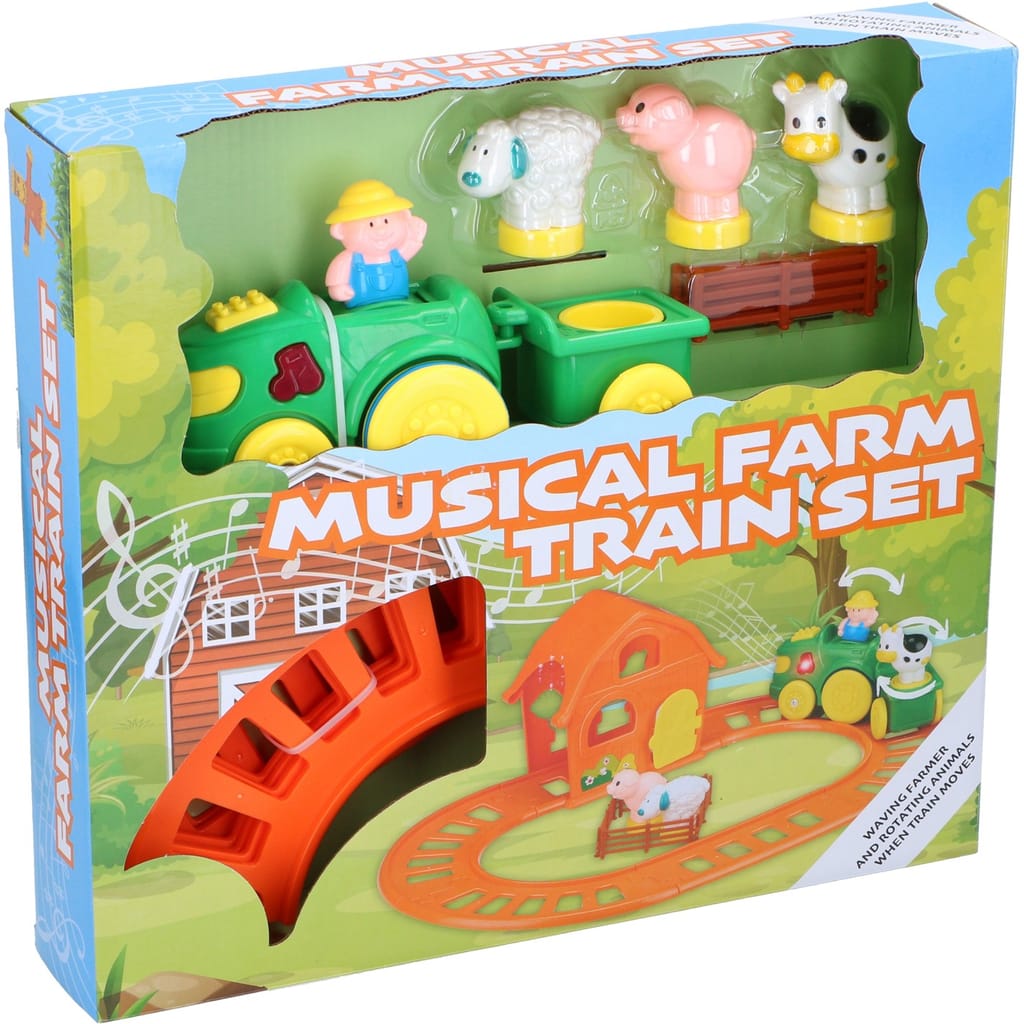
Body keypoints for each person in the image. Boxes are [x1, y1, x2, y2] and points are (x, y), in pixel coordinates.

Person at [324, 180, 427, 308]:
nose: (381, 231)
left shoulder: (395, 255)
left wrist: (415, 237)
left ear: (404, 217)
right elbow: (338, 274)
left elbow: (409, 248)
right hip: (362, 307)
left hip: (399, 303)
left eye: (386, 221)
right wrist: (337, 288)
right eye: (371, 224)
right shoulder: (348, 259)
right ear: (340, 231)